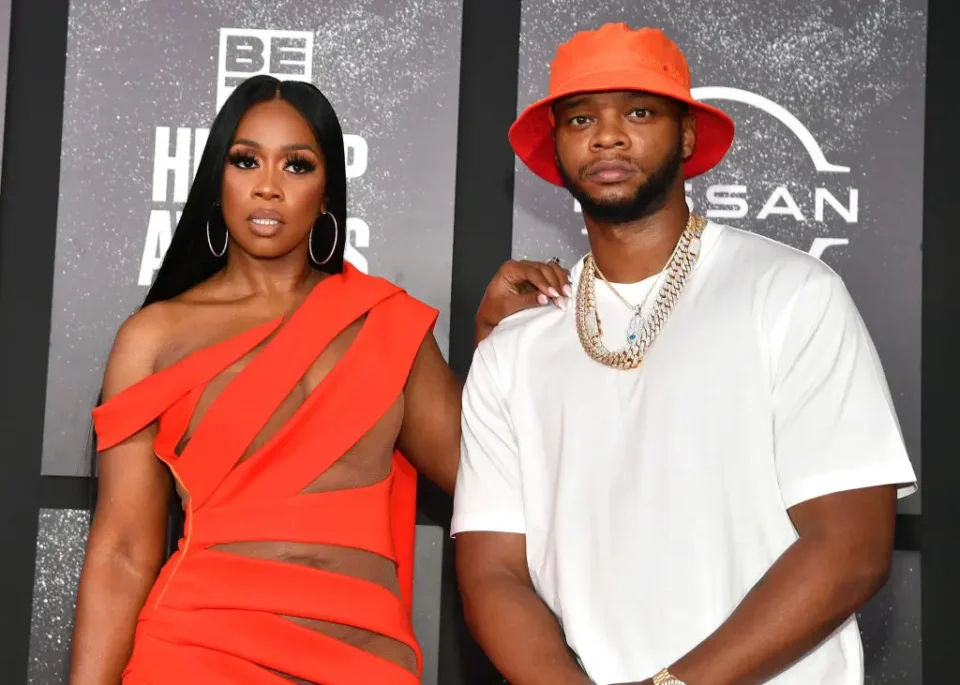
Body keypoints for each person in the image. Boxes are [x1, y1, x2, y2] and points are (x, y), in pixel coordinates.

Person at [451, 23, 917, 685]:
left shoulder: (789, 294)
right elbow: (491, 572)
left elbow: (852, 549)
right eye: (581, 118)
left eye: (639, 112)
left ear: (688, 135)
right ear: (555, 148)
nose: (608, 135)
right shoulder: (514, 350)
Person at [69, 75, 570, 685]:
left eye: (297, 165)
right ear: (216, 180)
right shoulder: (153, 338)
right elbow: (122, 550)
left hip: (364, 662)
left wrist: (495, 340)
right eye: (246, 159)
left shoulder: (387, 323)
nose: (268, 186)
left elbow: (489, 474)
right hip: (199, 653)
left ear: (327, 190)